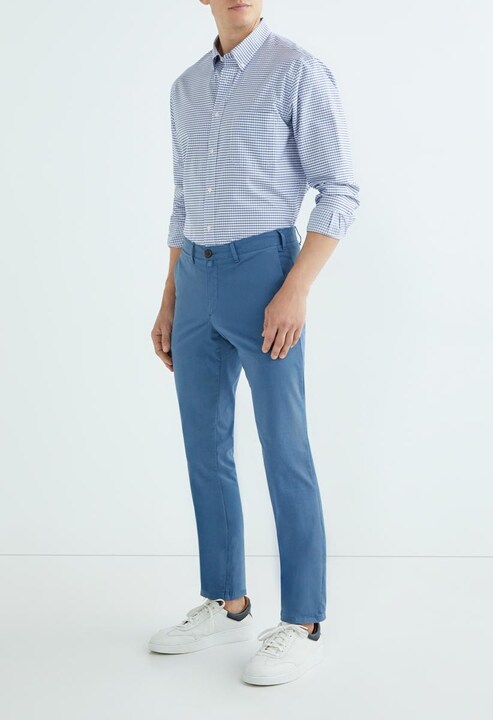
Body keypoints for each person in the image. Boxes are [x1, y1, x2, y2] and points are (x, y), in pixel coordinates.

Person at [149, 0, 359, 686]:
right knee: (204, 447)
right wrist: (170, 298)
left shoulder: (296, 70)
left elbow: (340, 189)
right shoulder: (185, 87)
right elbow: (182, 200)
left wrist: (296, 289)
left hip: (267, 274)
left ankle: (303, 622)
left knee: (284, 448)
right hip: (195, 277)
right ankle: (227, 602)